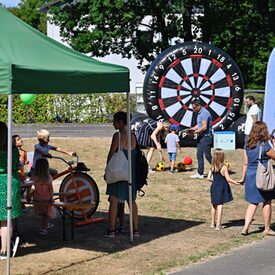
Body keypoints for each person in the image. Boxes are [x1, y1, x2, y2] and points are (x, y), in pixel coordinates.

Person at [105, 111, 139, 237]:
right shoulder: (133, 136)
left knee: (113, 199)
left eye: (115, 121)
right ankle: (135, 230)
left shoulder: (117, 136)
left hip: (118, 171)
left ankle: (111, 229)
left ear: (120, 122)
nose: (113, 124)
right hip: (131, 171)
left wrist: (107, 169)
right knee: (132, 200)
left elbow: (111, 153)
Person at [239, 121, 275, 236]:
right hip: (262, 176)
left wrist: (243, 177)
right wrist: (273, 143)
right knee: (266, 201)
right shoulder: (265, 146)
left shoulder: (248, 145)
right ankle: (267, 228)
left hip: (250, 175)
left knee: (253, 202)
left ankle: (245, 228)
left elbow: (245, 163)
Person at [0, 122, 21, 259]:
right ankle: (4, 249)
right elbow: (17, 164)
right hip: (10, 181)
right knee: (7, 219)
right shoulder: (13, 149)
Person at [207, 148, 240, 230]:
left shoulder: (212, 166)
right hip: (221, 187)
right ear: (222, 157)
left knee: (214, 204)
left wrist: (214, 181)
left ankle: (212, 223)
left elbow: (208, 178)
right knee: (220, 205)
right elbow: (228, 179)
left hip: (214, 186)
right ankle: (218, 224)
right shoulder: (224, 167)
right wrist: (236, 183)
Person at [29, 158, 55, 235]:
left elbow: (29, 186)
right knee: (46, 214)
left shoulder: (34, 177)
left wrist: (28, 195)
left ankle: (46, 224)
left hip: (37, 198)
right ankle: (44, 228)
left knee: (43, 213)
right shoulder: (48, 177)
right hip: (46, 199)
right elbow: (51, 189)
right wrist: (51, 197)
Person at [189, 99, 213, 179]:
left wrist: (195, 132)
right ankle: (200, 173)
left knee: (208, 156)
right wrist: (192, 129)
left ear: (199, 106)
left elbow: (204, 127)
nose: (193, 109)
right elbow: (199, 125)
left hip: (206, 137)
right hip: (201, 137)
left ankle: (219, 171)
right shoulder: (199, 113)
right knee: (199, 155)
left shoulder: (204, 113)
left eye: (194, 107)